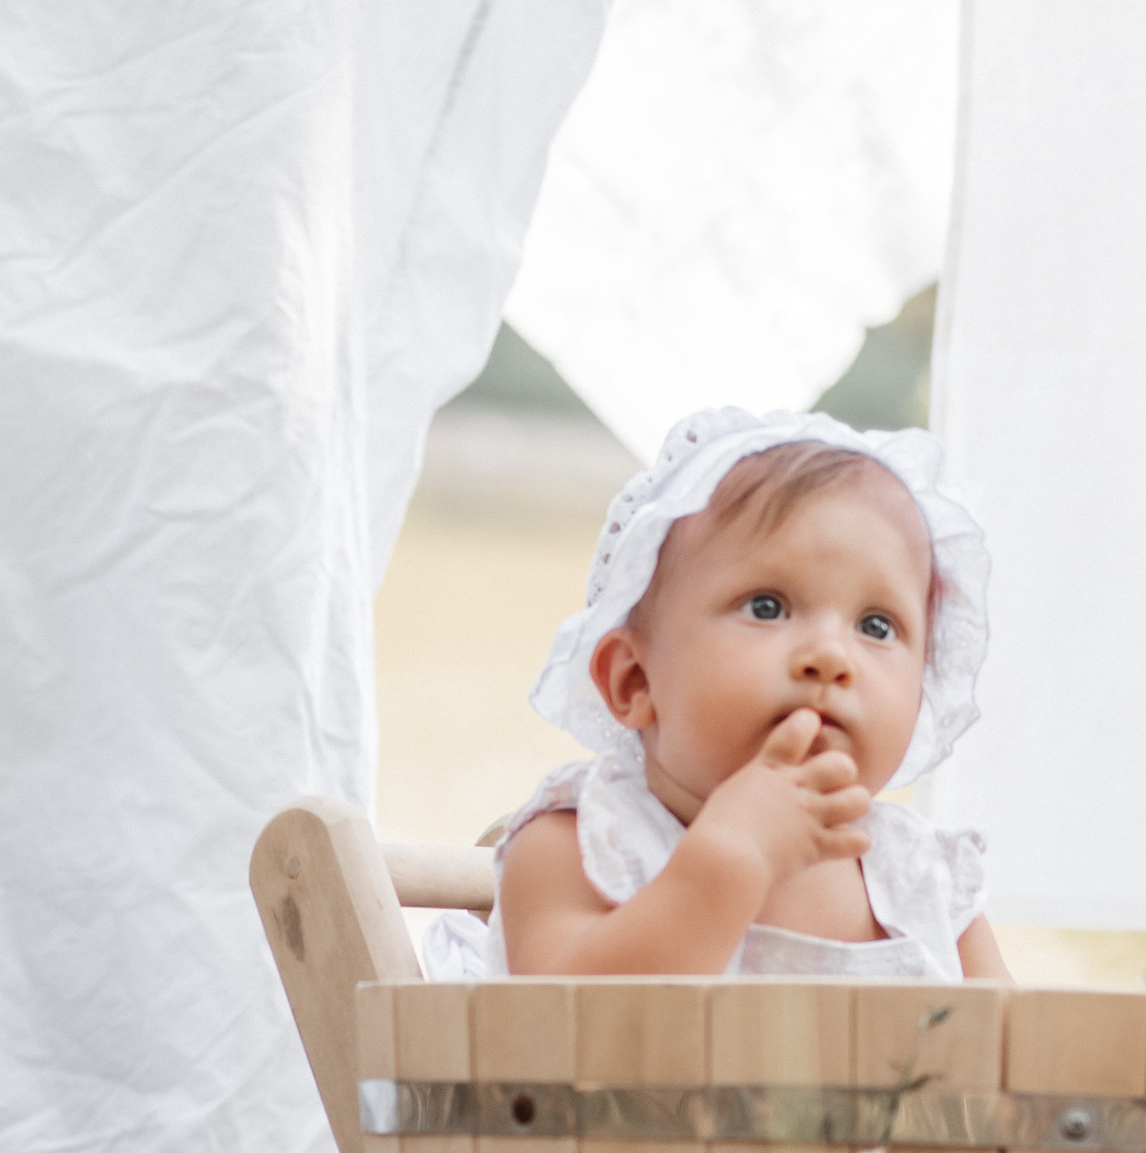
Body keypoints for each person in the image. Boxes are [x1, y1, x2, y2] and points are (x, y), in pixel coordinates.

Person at [423, 406, 1006, 985]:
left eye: (876, 626)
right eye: (767, 607)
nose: (830, 655)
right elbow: (555, 1031)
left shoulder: (927, 885)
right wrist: (729, 859)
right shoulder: (579, 848)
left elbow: (1022, 1065)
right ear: (636, 682)